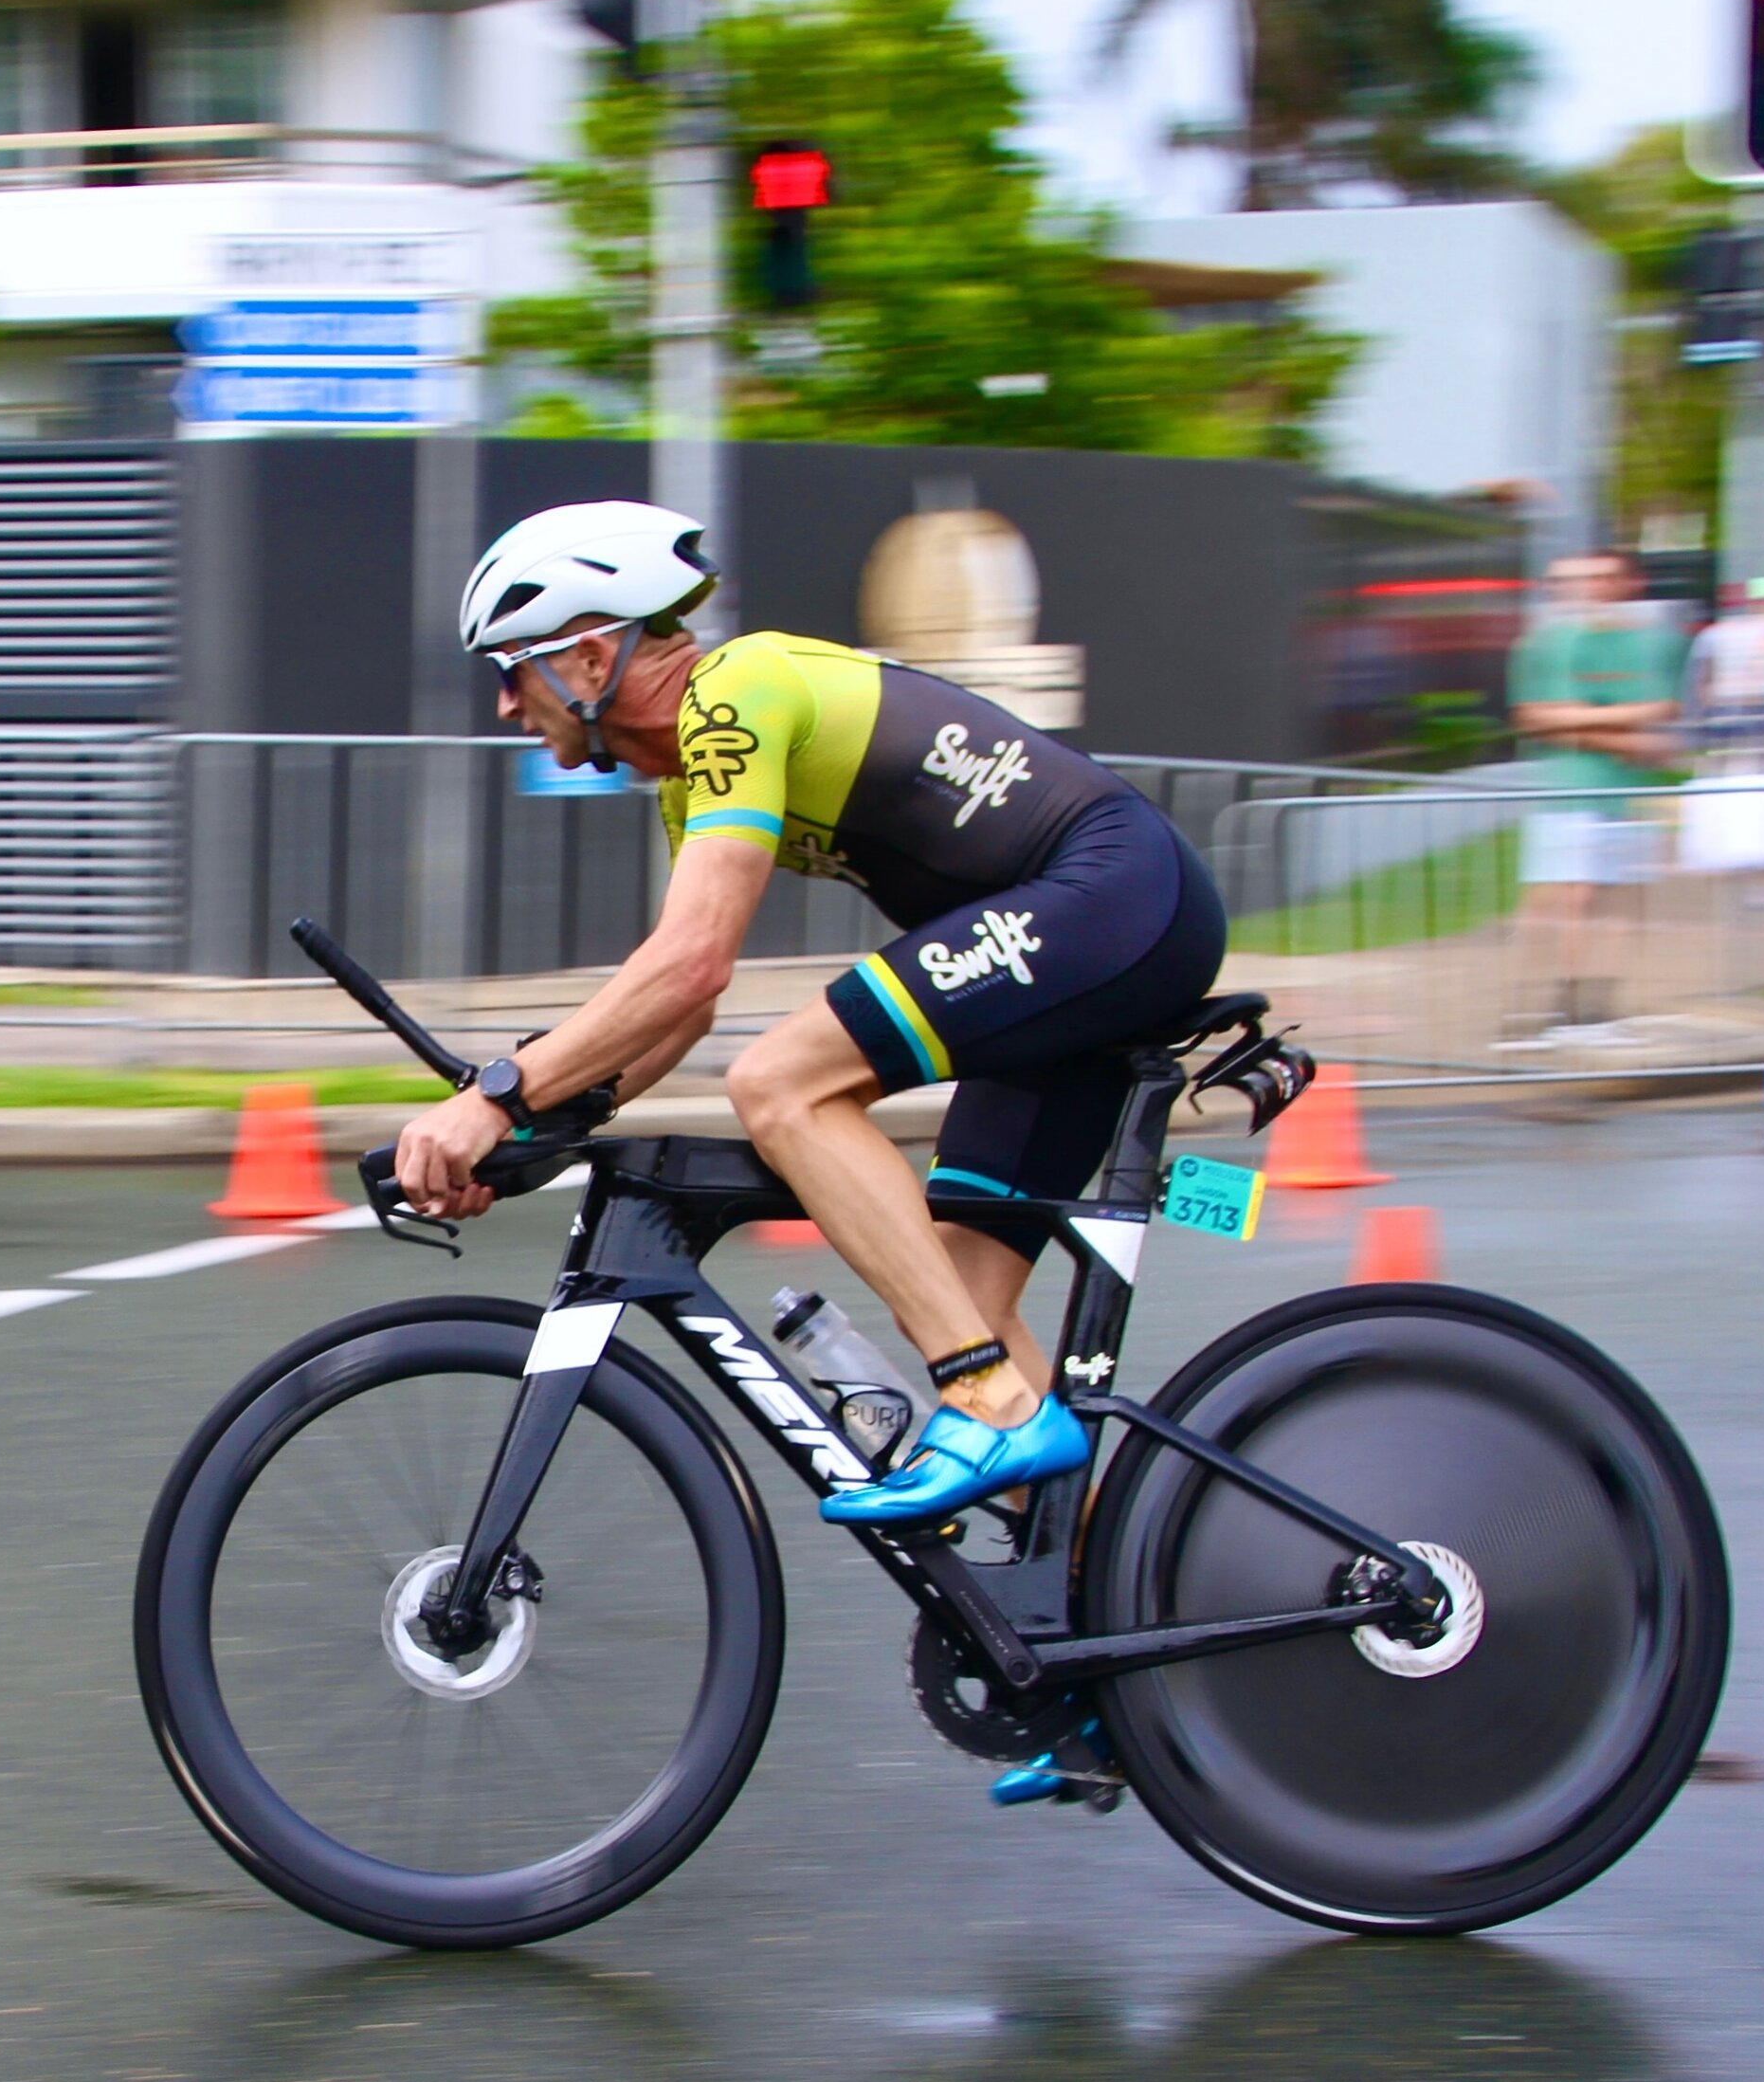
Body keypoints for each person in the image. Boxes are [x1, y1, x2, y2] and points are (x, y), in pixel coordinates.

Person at [394, 502, 1227, 1531]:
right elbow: (676, 1011)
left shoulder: (735, 694)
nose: (510, 708)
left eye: (512, 671)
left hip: (1116, 898)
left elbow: (688, 967)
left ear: (592, 652)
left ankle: (985, 1399)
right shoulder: (688, 780)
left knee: (785, 1081)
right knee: (959, 1283)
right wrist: (521, 1129)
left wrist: (499, 1091)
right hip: (1070, 952)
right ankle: (1097, 1599)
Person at [1500, 549, 1688, 1044]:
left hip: (1625, 794)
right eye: (1586, 579)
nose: (1595, 588)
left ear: (1631, 583)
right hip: (1571, 789)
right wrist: (1623, 735)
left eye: (1608, 578)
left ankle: (1594, 1004)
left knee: (1617, 901)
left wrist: (1580, 719)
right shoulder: (1547, 644)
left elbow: (1661, 707)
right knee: (1563, 896)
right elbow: (1537, 715)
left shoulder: (1655, 643)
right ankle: (1544, 1000)